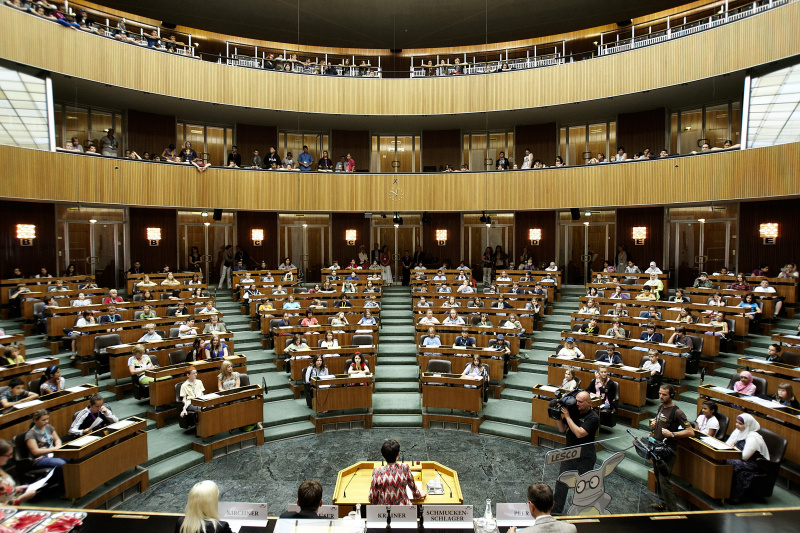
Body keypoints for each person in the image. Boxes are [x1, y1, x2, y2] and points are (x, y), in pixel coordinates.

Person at [552, 391, 598, 514]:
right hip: (570, 453)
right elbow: (562, 429)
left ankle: (582, 510)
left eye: (580, 402)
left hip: (585, 455)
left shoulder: (593, 417)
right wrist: (558, 416)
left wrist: (567, 417)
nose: (576, 403)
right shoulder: (573, 412)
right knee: (562, 482)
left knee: (583, 485)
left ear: (589, 403)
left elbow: (579, 433)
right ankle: (556, 510)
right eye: (576, 400)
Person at [648, 384, 692, 511]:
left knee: (664, 481)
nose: (661, 396)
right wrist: (653, 424)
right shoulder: (660, 407)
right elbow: (656, 423)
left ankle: (673, 511)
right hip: (657, 448)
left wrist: (673, 434)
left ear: (671, 395)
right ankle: (663, 503)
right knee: (658, 476)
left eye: (664, 394)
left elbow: (690, 431)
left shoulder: (677, 412)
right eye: (660, 393)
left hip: (668, 451)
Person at [725, 414, 770, 504]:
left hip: (756, 463)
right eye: (736, 422)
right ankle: (723, 491)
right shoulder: (738, 431)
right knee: (724, 460)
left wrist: (734, 448)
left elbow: (745, 456)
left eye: (740, 423)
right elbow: (727, 445)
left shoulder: (753, 437)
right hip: (741, 458)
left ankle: (733, 497)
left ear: (748, 425)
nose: (737, 425)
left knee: (731, 464)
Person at [368, 439, 426, 504]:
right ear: (398, 455)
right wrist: (419, 495)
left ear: (383, 456)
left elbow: (372, 498)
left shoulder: (377, 472)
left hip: (384, 511)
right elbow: (413, 488)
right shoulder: (404, 468)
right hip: (404, 510)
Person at [25, 410, 69, 487]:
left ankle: (73, 484)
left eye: (47, 419)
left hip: (53, 453)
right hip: (40, 458)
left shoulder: (48, 427)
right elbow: (35, 451)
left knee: (71, 457)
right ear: (35, 421)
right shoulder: (30, 434)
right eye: (43, 420)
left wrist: (58, 447)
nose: (46, 421)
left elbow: (57, 439)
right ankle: (64, 489)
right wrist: (53, 449)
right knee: (61, 464)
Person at [0, 438, 37, 505]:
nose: (10, 457)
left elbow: (3, 492)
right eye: (8, 455)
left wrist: (17, 489)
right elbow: (2, 507)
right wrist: (20, 498)